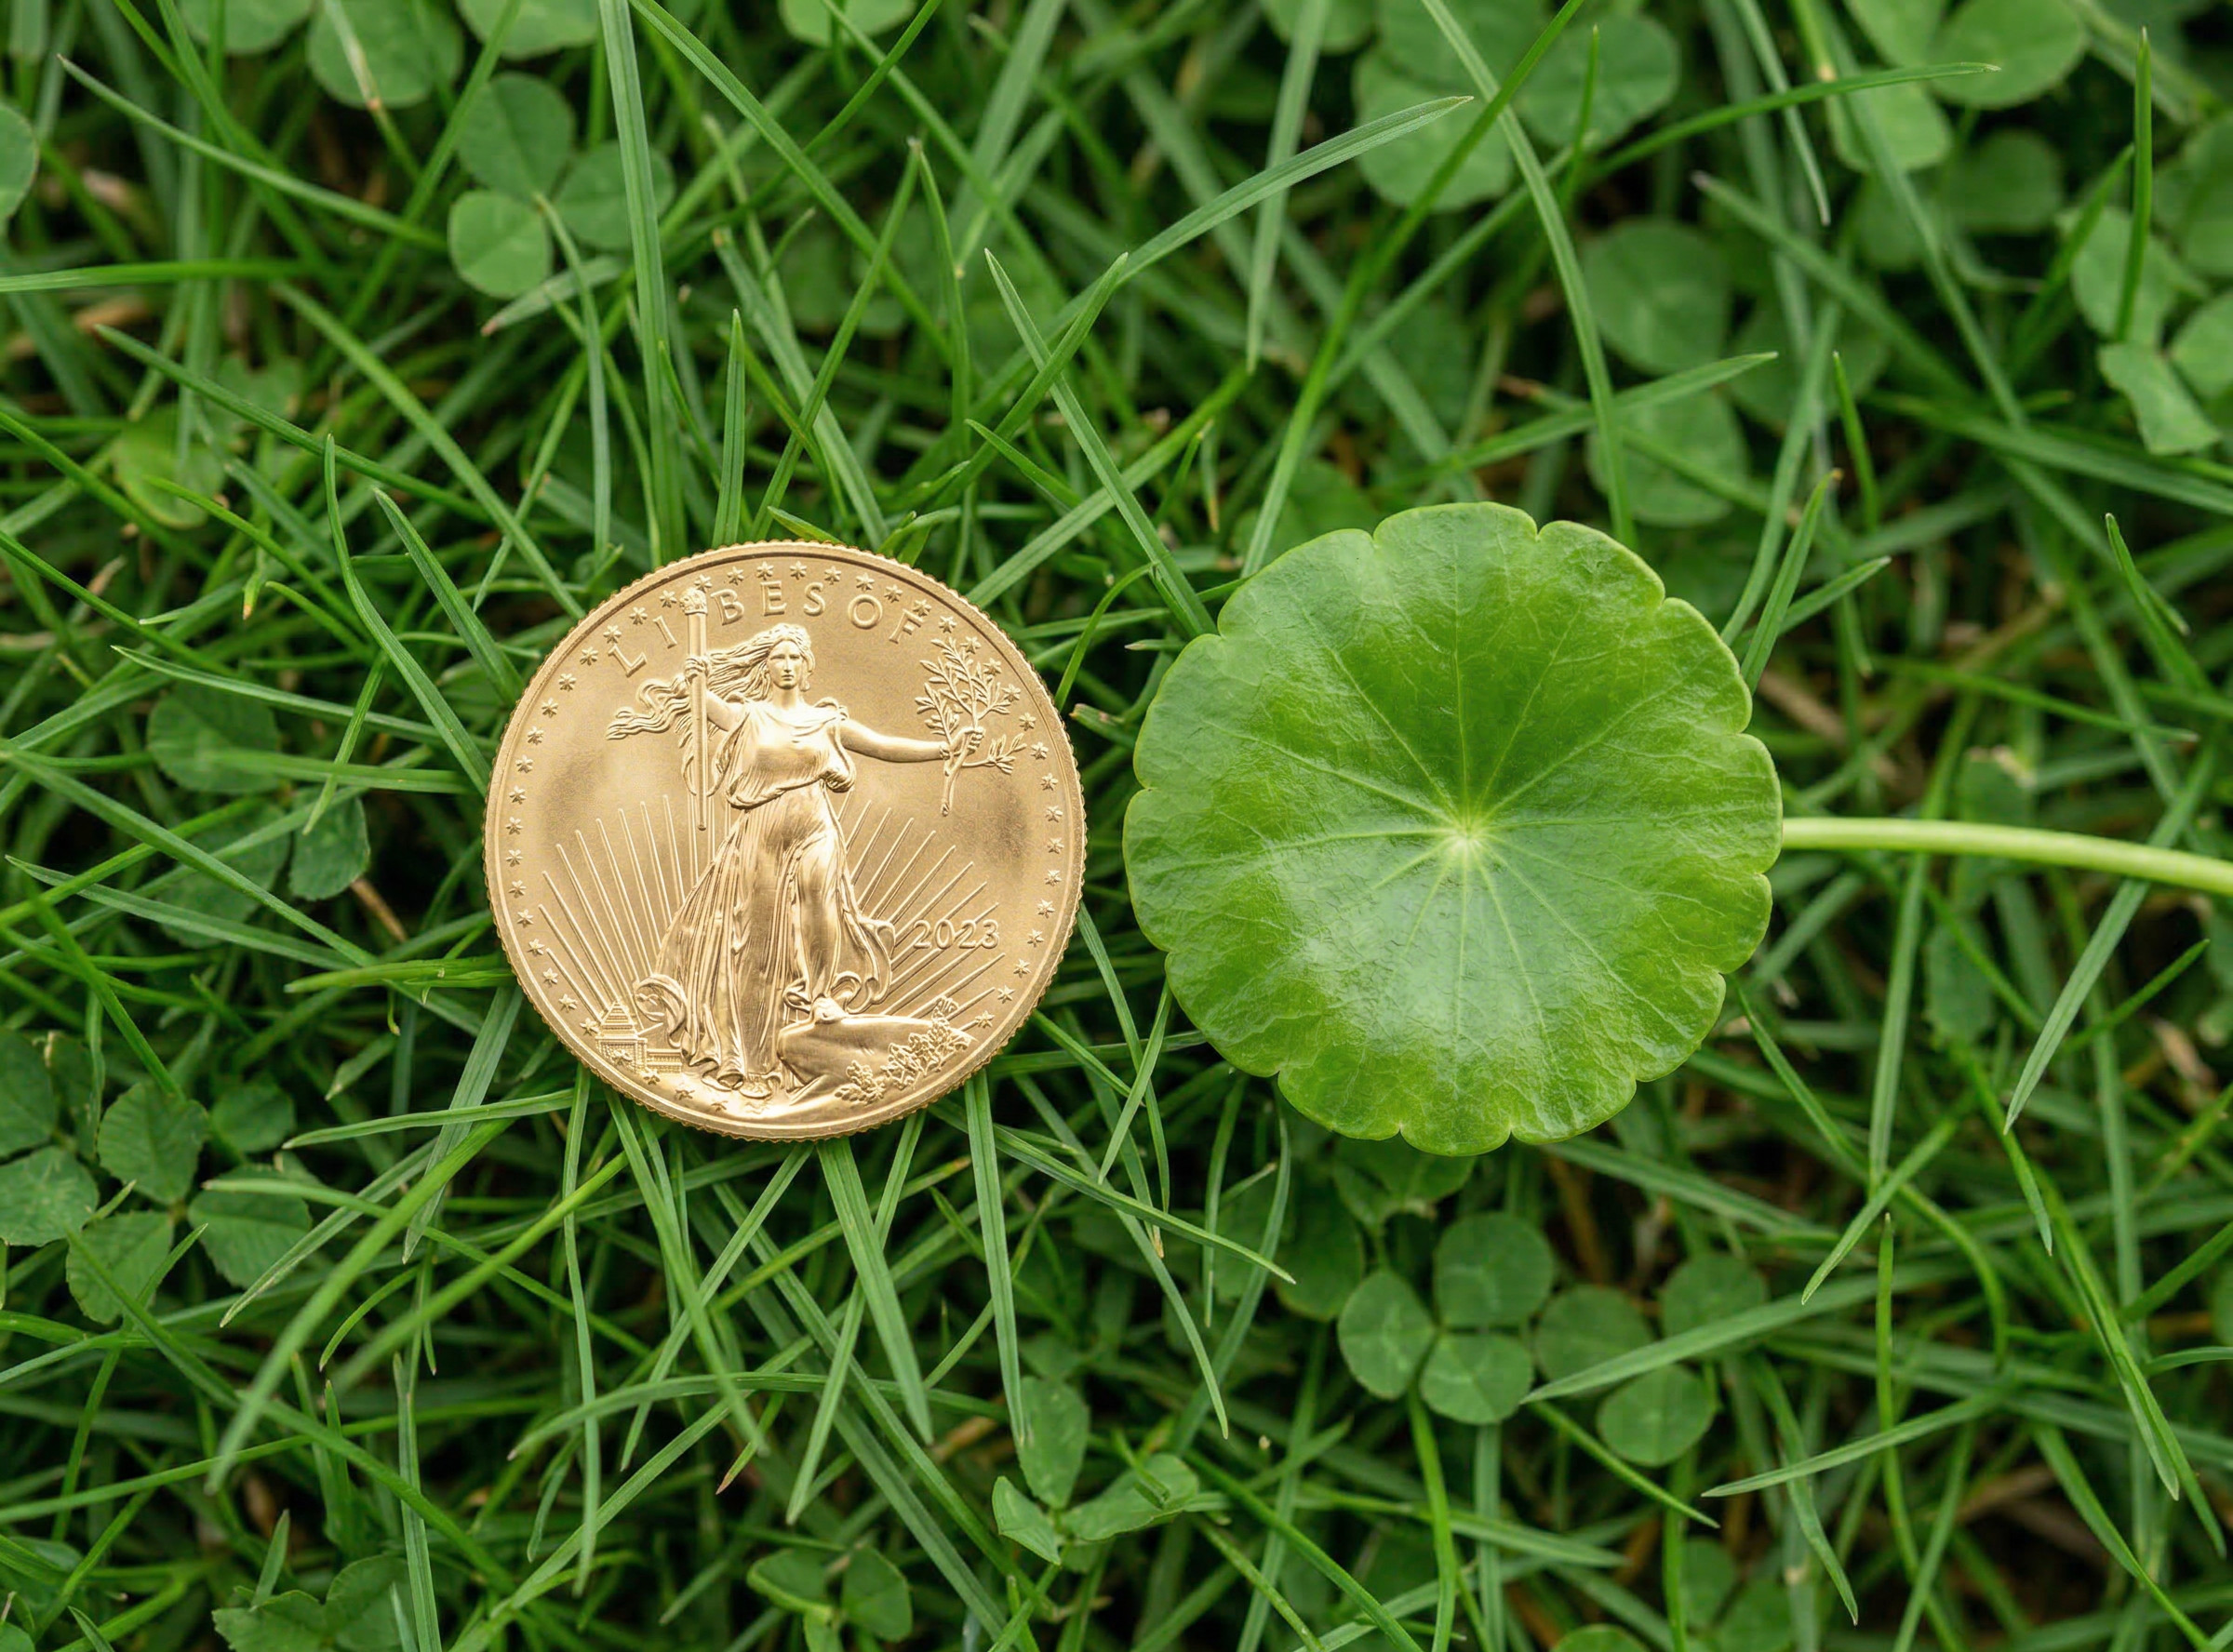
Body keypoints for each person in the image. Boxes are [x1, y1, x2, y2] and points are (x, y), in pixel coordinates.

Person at [607, 623, 966, 1099]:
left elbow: (883, 745)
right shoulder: (746, 716)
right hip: (761, 833)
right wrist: (694, 680)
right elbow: (703, 703)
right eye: (779, 658)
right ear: (767, 666)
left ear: (809, 667)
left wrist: (943, 749)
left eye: (796, 657)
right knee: (754, 943)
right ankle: (752, 1064)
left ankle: (820, 999)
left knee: (820, 901)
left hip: (815, 825)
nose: (788, 665)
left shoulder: (827, 722)